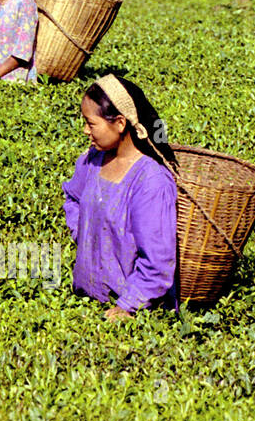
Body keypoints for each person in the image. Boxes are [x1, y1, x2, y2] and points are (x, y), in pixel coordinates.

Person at [63, 74, 179, 320]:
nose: (85, 130)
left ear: (119, 123)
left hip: (134, 310)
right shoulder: (91, 160)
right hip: (86, 300)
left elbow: (158, 264)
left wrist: (127, 306)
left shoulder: (151, 181)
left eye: (90, 123)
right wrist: (82, 231)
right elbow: (72, 198)